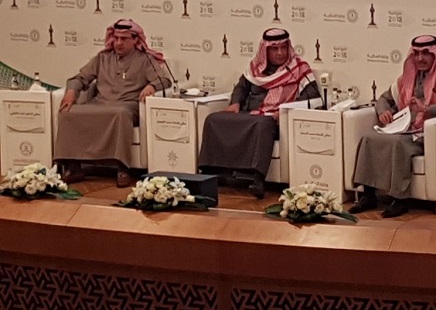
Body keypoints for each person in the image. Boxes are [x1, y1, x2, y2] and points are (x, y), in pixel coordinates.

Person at [350, 35, 436, 218]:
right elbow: (383, 99)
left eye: (426, 53)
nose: (420, 58)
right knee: (368, 139)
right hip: (402, 128)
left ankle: (400, 199)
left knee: (398, 144)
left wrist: (427, 109)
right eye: (417, 53)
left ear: (435, 54)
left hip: (423, 132)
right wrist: (383, 111)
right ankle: (368, 195)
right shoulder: (407, 77)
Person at [197, 28, 319, 199]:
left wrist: (285, 110)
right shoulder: (255, 69)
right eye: (274, 49)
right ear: (265, 50)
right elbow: (241, 87)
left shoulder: (298, 69)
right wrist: (235, 103)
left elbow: (312, 96)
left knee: (263, 124)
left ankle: (258, 179)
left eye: (283, 48)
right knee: (213, 119)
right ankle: (209, 172)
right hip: (250, 114)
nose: (280, 53)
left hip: (275, 118)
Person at [55, 19, 172, 187]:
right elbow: (79, 78)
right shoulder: (102, 58)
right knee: (67, 113)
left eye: (124, 39)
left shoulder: (144, 59)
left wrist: (152, 86)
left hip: (128, 105)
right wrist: (71, 91)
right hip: (100, 103)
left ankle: (122, 168)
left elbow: (164, 80)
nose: (118, 43)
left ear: (135, 40)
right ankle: (73, 166)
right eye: (116, 38)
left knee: (120, 113)